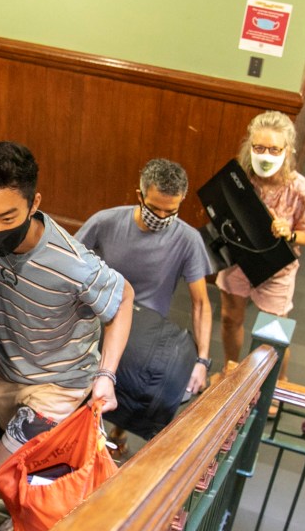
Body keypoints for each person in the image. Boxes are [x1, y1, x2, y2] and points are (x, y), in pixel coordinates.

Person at [0, 141, 134, 498]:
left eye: (8, 218)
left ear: (34, 203)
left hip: (58, 386)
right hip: (6, 368)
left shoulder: (73, 265)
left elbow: (125, 296)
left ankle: (67, 505)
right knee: (23, 461)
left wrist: (106, 376)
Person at [76, 158, 214, 395]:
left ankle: (118, 432)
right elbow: (68, 264)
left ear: (181, 200)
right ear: (139, 195)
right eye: (153, 208)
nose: (160, 216)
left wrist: (202, 361)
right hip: (100, 320)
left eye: (169, 211)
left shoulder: (188, 240)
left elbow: (201, 303)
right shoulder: (105, 222)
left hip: (145, 335)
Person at [217, 110, 305, 379]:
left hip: (277, 270)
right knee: (230, 318)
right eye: (259, 147)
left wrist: (289, 233)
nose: (266, 155)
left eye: (274, 149)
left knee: (273, 332)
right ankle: (229, 372)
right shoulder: (240, 177)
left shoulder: (301, 189)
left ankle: (278, 384)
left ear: (287, 150)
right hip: (238, 259)